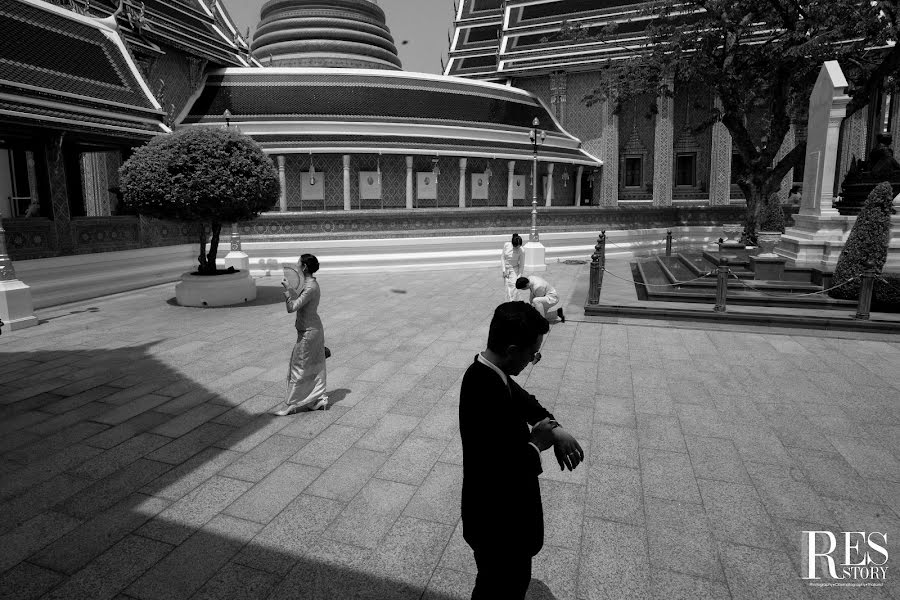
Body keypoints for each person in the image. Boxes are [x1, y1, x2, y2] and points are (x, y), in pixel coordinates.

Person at [459, 302, 584, 599]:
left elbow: (526, 400)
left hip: (499, 521)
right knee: (500, 587)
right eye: (533, 354)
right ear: (513, 350)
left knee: (500, 584)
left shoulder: (489, 372)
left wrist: (553, 426)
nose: (532, 360)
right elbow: (498, 467)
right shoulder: (483, 391)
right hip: (497, 527)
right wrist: (536, 444)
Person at [274, 253, 328, 415]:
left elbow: (293, 307)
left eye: (298, 264)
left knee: (299, 366)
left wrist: (286, 292)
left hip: (309, 333)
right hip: (312, 329)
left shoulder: (310, 286)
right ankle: (317, 400)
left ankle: (292, 404)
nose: (297, 267)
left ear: (304, 267)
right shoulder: (310, 283)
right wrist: (291, 288)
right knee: (312, 365)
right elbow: (301, 301)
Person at [501, 233, 525, 301]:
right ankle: (508, 303)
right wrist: (503, 270)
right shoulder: (506, 245)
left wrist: (519, 276)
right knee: (507, 287)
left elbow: (522, 264)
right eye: (516, 246)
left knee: (514, 287)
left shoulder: (521, 250)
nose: (517, 248)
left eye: (519, 246)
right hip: (506, 269)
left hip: (515, 269)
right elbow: (502, 258)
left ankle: (515, 303)